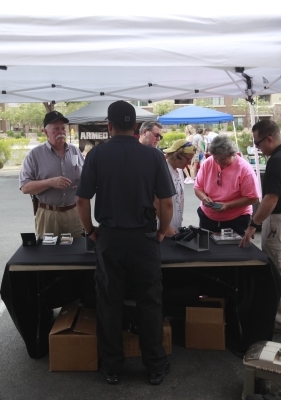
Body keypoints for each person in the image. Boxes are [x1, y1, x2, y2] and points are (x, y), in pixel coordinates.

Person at [76, 101, 175, 386]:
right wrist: (161, 232)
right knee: (149, 302)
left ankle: (112, 367)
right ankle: (155, 366)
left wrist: (90, 231)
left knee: (109, 303)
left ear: (109, 126)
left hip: (110, 239)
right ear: (135, 127)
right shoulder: (153, 156)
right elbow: (166, 202)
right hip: (144, 238)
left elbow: (82, 200)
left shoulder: (96, 155)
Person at [240, 120, 281, 333]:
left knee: (276, 269)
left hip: (277, 220)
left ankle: (279, 321)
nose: (257, 148)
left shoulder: (277, 160)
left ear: (269, 139)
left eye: (257, 144)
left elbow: (270, 199)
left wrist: (253, 224)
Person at [19, 110, 84, 239]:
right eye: (56, 129)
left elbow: (86, 175)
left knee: (77, 250)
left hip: (74, 213)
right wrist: (50, 182)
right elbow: (25, 187)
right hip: (48, 215)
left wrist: (84, 183)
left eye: (63, 128)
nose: (61, 132)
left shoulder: (75, 151)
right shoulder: (34, 155)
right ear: (45, 132)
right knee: (48, 250)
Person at [193, 135, 259, 235]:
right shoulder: (207, 163)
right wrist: (204, 198)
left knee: (235, 245)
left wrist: (228, 205)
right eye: (215, 158)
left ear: (232, 154)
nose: (218, 162)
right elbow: (198, 188)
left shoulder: (245, 169)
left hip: (237, 218)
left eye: (223, 159)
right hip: (207, 216)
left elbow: (253, 198)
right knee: (207, 244)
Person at [159, 139, 197, 236]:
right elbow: (157, 202)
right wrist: (166, 227)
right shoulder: (164, 171)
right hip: (164, 229)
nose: (189, 163)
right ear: (177, 156)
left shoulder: (179, 170)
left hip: (175, 227)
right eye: (188, 159)